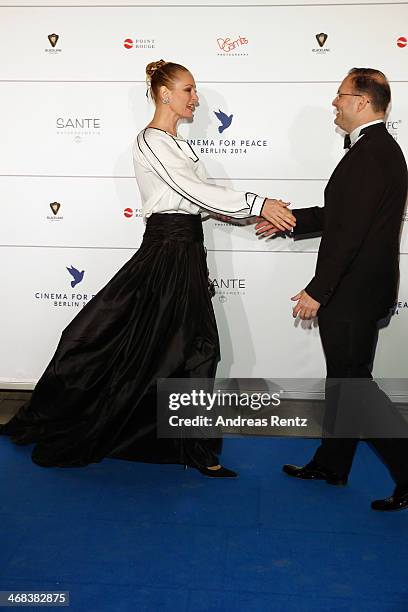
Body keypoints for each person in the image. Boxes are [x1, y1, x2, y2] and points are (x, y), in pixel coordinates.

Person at [0, 60, 295, 477]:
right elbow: (191, 191)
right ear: (164, 94)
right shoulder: (151, 141)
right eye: (189, 90)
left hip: (186, 253)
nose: (196, 98)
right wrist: (258, 203)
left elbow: (202, 203)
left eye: (195, 91)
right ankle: (69, 417)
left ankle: (195, 450)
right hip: (164, 255)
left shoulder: (180, 145)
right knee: (114, 338)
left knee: (197, 350)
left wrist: (253, 215)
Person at [257, 68, 408, 510]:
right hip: (358, 291)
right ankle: (333, 463)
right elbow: (339, 216)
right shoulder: (375, 150)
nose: (334, 103)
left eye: (340, 96)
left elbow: (349, 235)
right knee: (345, 381)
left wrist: (318, 290)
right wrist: (288, 220)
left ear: (362, 101)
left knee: (355, 384)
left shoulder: (372, 153)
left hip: (351, 293)